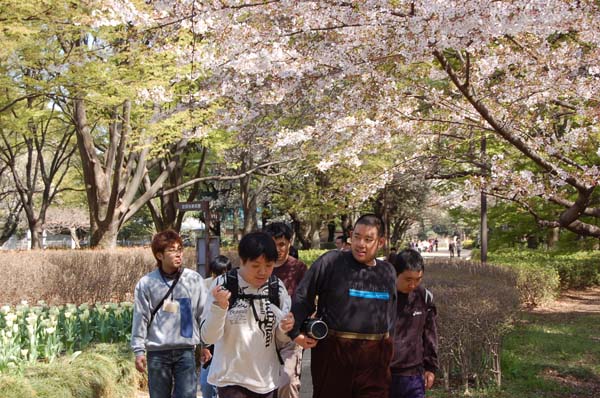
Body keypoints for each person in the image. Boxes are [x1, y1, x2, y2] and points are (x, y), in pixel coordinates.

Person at [290, 214, 397, 398]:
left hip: (375, 360)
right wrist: (295, 333)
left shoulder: (387, 271)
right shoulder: (331, 262)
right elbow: (303, 296)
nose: (360, 244)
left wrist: (388, 350)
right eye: (356, 237)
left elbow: (392, 315)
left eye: (368, 239)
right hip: (334, 355)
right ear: (350, 235)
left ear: (380, 242)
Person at [201, 231, 295, 398]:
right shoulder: (223, 285)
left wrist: (284, 329)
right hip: (231, 379)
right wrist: (220, 306)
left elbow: (281, 340)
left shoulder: (276, 288)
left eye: (269, 265)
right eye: (256, 265)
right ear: (242, 261)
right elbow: (208, 337)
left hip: (266, 380)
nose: (263, 272)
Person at [131, 230, 208, 398]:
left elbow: (203, 313)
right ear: (159, 255)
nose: (178, 254)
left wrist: (206, 344)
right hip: (157, 352)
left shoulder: (193, 279)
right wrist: (139, 351)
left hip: (186, 350)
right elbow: (140, 318)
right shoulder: (147, 283)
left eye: (180, 249)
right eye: (172, 250)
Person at [263, 222, 308, 398]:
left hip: (291, 334)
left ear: (290, 242)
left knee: (287, 381)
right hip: (262, 334)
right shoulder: (259, 266)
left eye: (282, 244)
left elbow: (307, 302)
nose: (278, 249)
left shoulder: (299, 268)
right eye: (273, 244)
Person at [389, 249, 438, 398]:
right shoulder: (381, 296)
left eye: (418, 279)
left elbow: (430, 333)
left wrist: (431, 367)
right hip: (383, 374)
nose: (413, 285)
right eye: (408, 279)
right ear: (396, 274)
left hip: (413, 375)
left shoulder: (424, 297)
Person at [199, 255, 233, 398]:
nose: (220, 278)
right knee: (206, 385)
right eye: (217, 273)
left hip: (226, 342)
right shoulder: (205, 285)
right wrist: (204, 346)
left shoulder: (234, 287)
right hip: (209, 342)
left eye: (224, 273)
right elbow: (201, 316)